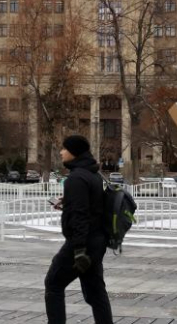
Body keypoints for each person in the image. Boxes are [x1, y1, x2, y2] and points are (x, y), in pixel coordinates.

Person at [44, 135, 112, 324]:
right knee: (96, 293)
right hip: (97, 242)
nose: (61, 152)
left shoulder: (76, 178)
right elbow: (90, 207)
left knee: (53, 284)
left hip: (81, 245)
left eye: (64, 149)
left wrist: (79, 250)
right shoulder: (92, 174)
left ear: (73, 152)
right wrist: (67, 203)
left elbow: (81, 217)